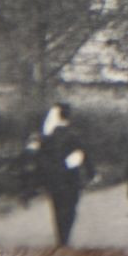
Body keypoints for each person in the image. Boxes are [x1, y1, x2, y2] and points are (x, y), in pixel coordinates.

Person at [38, 103, 93, 245]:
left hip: (55, 179)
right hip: (71, 179)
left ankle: (60, 238)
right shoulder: (75, 136)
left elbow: (41, 159)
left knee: (57, 208)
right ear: (69, 117)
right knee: (70, 209)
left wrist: (44, 178)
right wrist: (91, 173)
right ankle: (66, 238)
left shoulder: (48, 138)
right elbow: (85, 155)